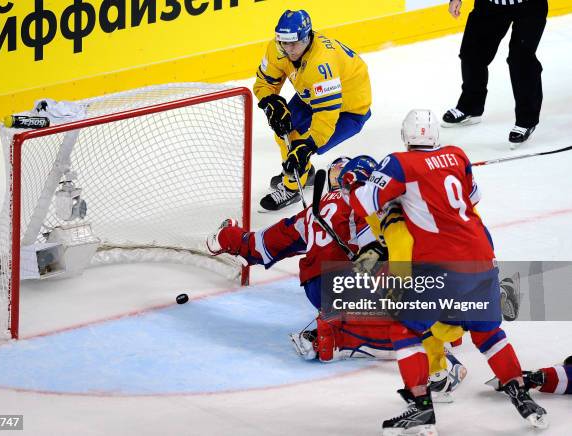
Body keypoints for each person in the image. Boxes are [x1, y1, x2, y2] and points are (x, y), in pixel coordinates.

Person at [208, 155, 446, 436]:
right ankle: (361, 339)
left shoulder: (313, 211)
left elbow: (260, 245)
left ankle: (347, 334)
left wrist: (226, 237)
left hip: (318, 290)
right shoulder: (371, 203)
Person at [344, 109, 548, 430]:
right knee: (488, 332)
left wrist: (359, 189)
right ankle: (522, 395)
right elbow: (473, 197)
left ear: (405, 137)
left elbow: (365, 202)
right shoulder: (457, 155)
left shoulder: (401, 162)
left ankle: (422, 405)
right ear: (435, 136)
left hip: (441, 267)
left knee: (405, 329)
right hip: (481, 257)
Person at [253, 9, 372, 211]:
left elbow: (327, 114)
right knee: (283, 132)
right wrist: (271, 101)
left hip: (349, 109)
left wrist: (308, 146)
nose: (289, 49)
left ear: (307, 36)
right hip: (311, 95)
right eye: (284, 42)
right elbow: (264, 83)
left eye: (295, 43)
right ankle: (304, 174)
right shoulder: (276, 48)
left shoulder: (321, 64)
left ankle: (292, 188)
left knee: (299, 142)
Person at [442, 0, 549, 146]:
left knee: (520, 59)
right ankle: (471, 107)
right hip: (490, 5)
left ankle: (527, 120)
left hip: (529, 6)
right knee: (472, 53)